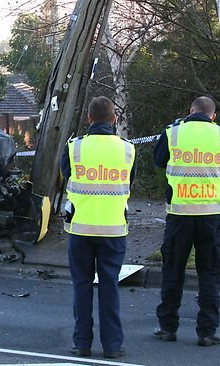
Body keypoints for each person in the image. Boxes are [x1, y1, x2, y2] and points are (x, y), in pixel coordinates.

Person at [152, 96, 220, 346]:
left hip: (180, 215)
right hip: (211, 216)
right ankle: (207, 331)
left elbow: (158, 160)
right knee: (210, 274)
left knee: (173, 271)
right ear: (213, 116)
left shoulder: (173, 132)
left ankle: (167, 327)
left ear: (190, 111)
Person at [60, 96, 136, 359]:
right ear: (114, 119)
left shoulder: (75, 147)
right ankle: (112, 346)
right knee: (109, 286)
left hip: (81, 230)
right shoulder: (127, 149)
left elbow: (66, 175)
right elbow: (130, 182)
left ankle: (82, 343)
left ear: (89, 119)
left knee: (81, 285)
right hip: (114, 230)